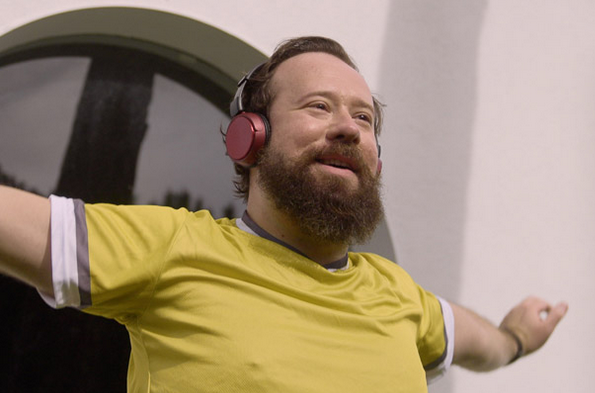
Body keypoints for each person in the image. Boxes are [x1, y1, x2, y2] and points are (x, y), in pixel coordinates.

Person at [0, 36, 567, 392]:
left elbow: (482, 342)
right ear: (250, 137)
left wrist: (517, 336)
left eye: (364, 119)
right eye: (319, 106)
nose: (348, 128)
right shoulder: (175, 248)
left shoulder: (397, 294)